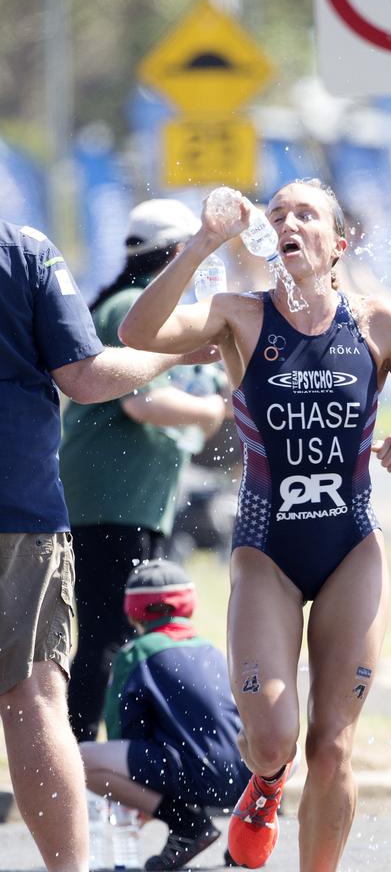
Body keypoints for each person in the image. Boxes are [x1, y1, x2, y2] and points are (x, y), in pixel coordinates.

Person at [118, 178, 391, 871]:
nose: (287, 221)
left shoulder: (377, 325)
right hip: (267, 554)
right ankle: (268, 783)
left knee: (335, 742)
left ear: (337, 243)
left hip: (351, 550)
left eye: (305, 213)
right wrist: (202, 242)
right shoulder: (238, 315)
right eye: (277, 213)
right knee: (276, 738)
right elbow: (139, 333)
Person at [0, 218, 217, 872]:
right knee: (39, 696)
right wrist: (188, 364)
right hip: (36, 508)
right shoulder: (24, 251)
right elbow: (91, 380)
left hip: (79, 506)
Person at [60, 199, 227, 743]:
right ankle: (85, 756)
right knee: (113, 630)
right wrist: (212, 411)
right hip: (111, 500)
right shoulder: (131, 308)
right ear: (178, 253)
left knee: (121, 629)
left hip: (127, 498)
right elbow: (142, 403)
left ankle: (104, 750)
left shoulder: (126, 306)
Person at [80, 558, 252, 871]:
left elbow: (125, 734)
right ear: (188, 605)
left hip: (195, 775)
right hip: (246, 776)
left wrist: (137, 797)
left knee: (80, 760)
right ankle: (251, 829)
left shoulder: (136, 652)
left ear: (134, 610)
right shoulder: (212, 650)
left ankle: (187, 825)